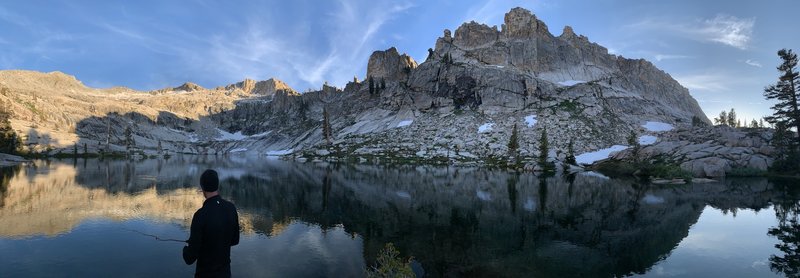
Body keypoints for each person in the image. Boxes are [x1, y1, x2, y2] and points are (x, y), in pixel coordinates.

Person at [183, 169, 240, 278]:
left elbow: (189, 258)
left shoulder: (200, 215)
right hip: (225, 274)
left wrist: (187, 247)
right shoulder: (231, 208)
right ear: (217, 185)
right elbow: (235, 240)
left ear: (202, 188)